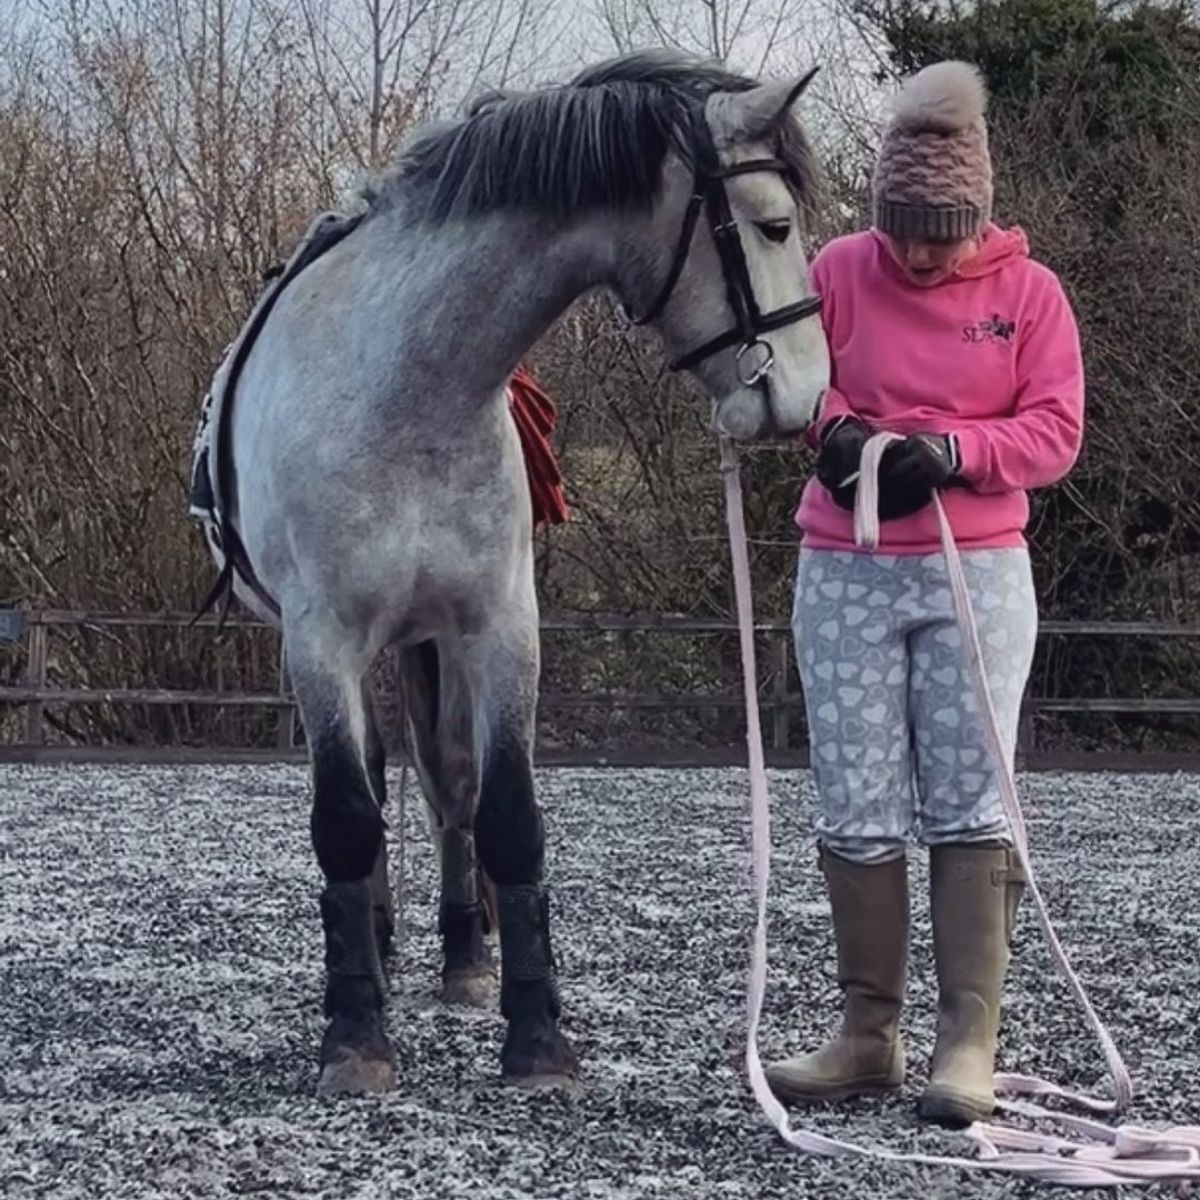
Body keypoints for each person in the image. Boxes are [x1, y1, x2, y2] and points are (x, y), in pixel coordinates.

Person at [766, 60, 1085, 1127]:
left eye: (938, 234)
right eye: (902, 229)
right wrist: (837, 432)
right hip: (846, 569)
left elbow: (1055, 430)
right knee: (855, 794)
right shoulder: (840, 269)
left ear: (975, 218)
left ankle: (968, 1037)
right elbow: (801, 385)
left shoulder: (1030, 297)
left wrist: (955, 451)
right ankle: (867, 1031)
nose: (916, 252)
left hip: (976, 572)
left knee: (968, 794)